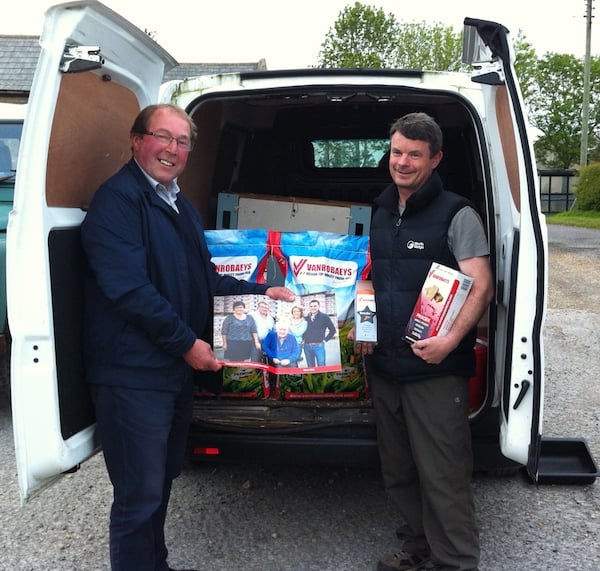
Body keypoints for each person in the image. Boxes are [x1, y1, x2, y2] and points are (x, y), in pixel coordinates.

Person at [80, 103, 295, 571]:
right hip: (133, 375)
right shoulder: (117, 201)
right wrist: (187, 344)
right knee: (138, 497)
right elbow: (130, 291)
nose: (173, 149)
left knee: (160, 484)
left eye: (183, 142)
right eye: (164, 137)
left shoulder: (178, 204)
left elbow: (207, 279)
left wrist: (264, 291)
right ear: (137, 140)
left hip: (169, 372)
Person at [354, 112, 493, 571]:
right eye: (397, 152)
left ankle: (455, 562)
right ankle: (417, 552)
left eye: (415, 154)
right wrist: (366, 326)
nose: (403, 161)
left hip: (434, 368)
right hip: (387, 367)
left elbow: (481, 284)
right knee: (399, 471)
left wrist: (451, 339)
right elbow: (372, 281)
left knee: (443, 474)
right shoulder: (378, 210)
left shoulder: (457, 212)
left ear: (435, 159)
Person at [302, 299, 336, 367]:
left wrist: (325, 339)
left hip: (319, 346)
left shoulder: (324, 317)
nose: (313, 308)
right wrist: (303, 340)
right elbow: (302, 331)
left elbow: (332, 330)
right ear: (309, 307)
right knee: (310, 366)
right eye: (311, 306)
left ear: (319, 306)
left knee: (321, 365)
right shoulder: (306, 318)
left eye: (315, 306)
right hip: (307, 346)